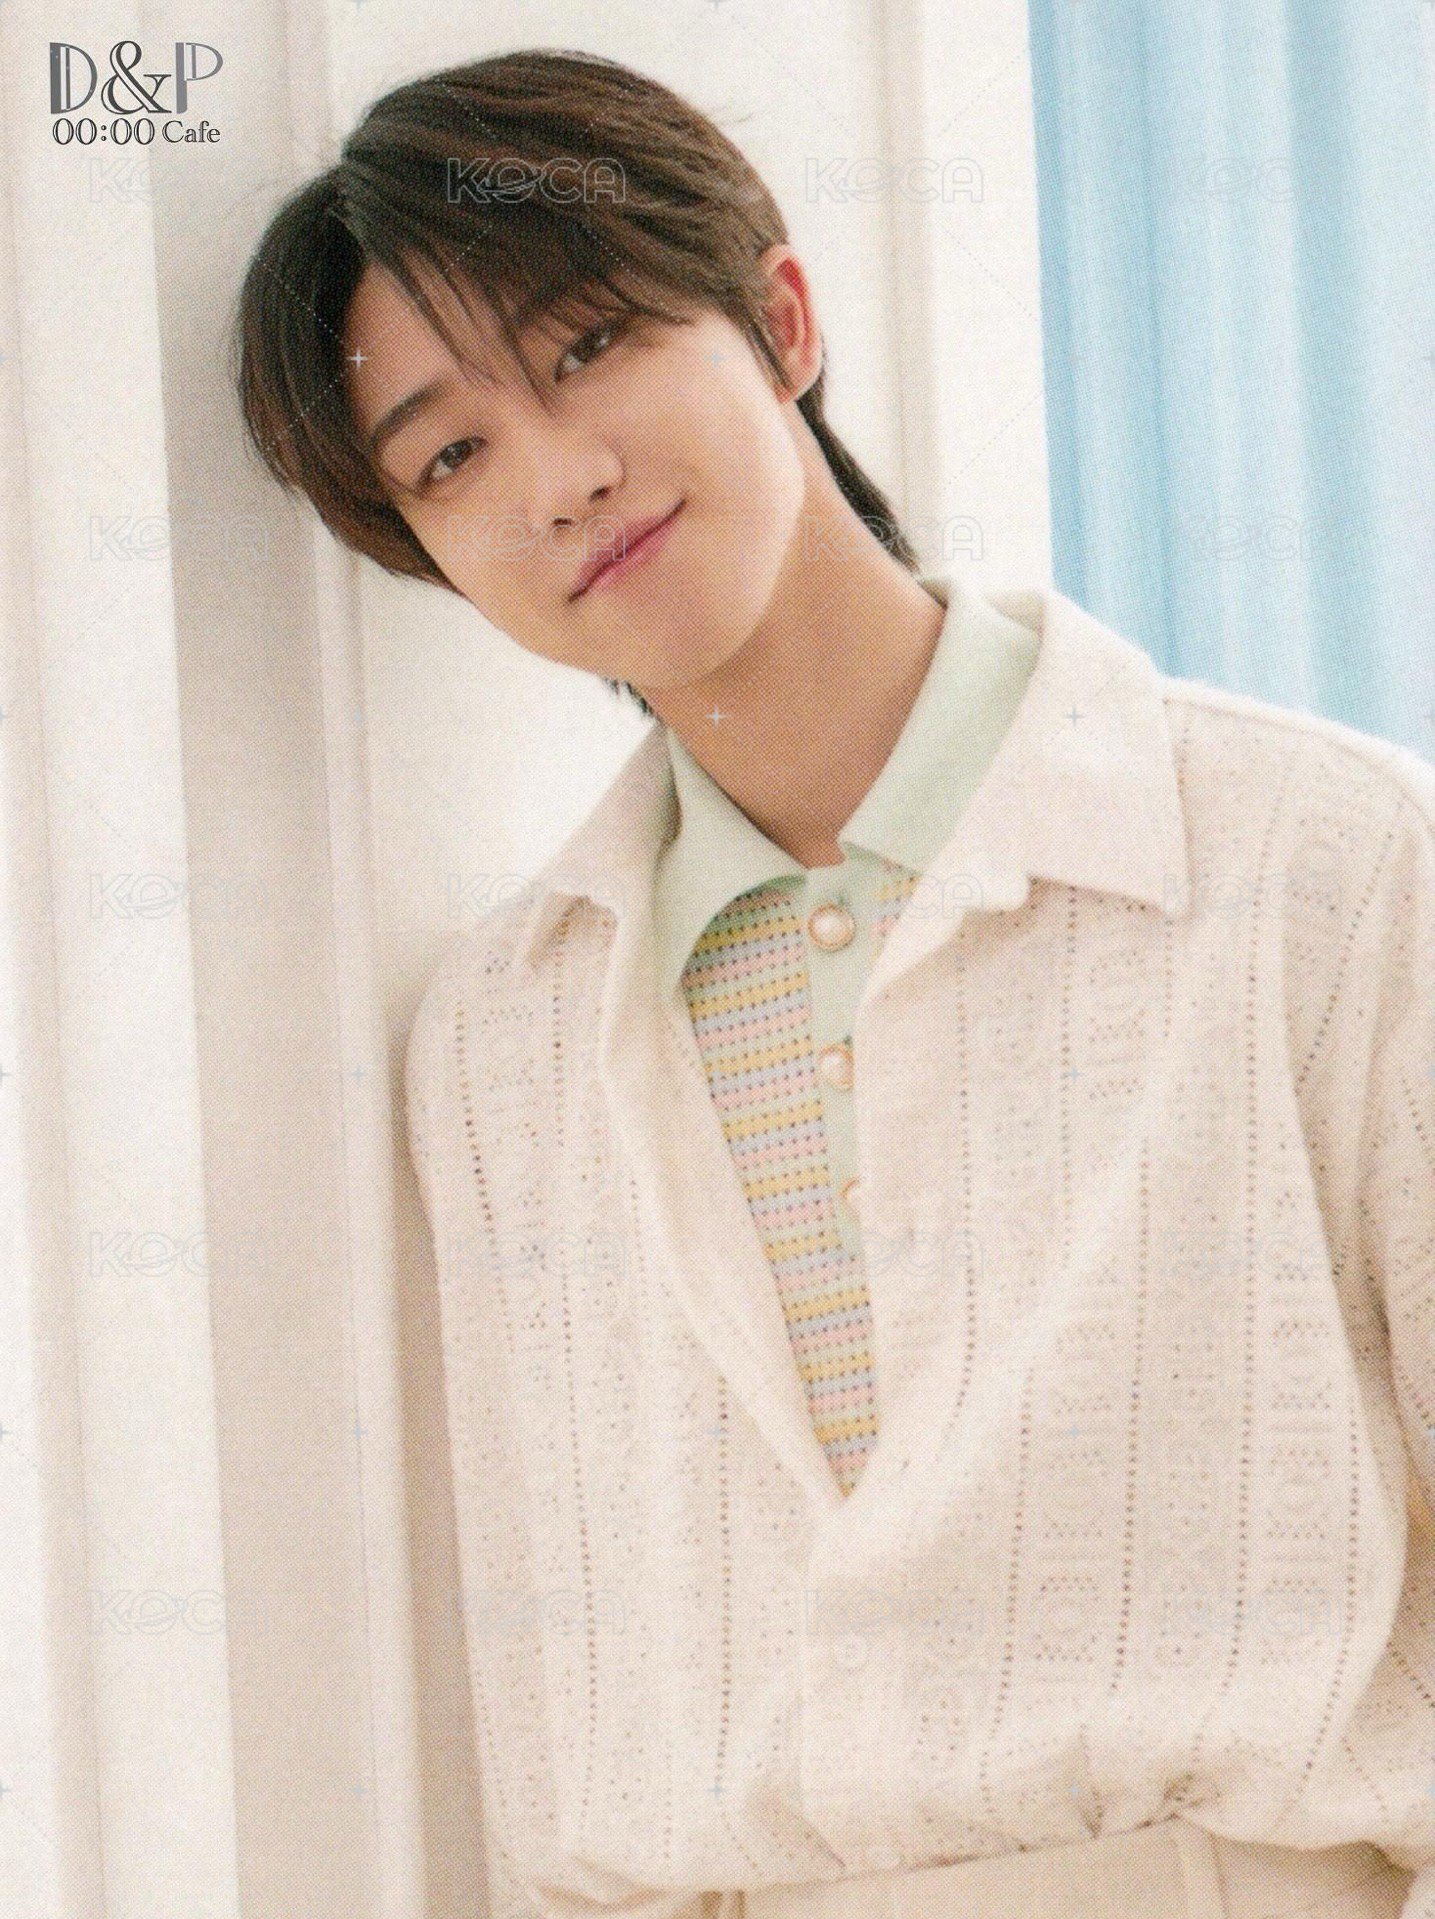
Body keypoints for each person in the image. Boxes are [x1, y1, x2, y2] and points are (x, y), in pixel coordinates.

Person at [229, 47, 1435, 1919]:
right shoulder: (503, 1044)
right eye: (450, 457)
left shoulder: (1328, 863)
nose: (561, 478)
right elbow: (573, 1741)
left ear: (780, 319)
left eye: (589, 345)